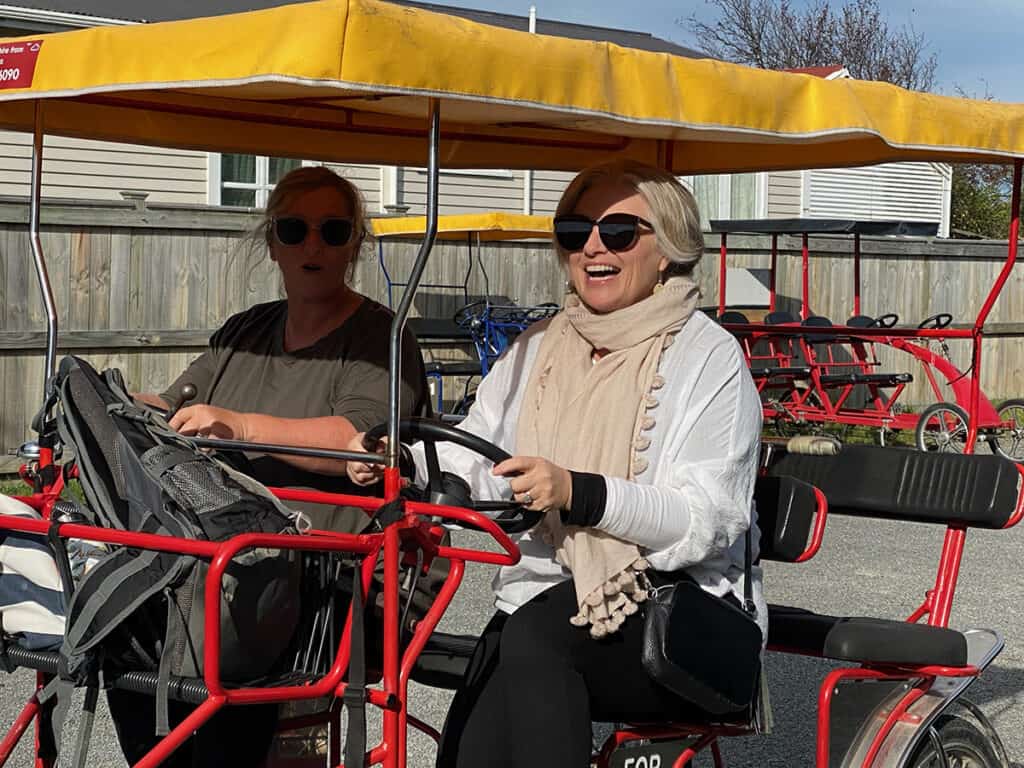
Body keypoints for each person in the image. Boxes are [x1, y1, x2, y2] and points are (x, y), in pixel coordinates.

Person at [348, 159, 764, 768]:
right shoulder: (539, 345)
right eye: (574, 232)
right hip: (538, 604)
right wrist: (407, 460)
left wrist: (578, 492)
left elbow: (706, 523)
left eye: (619, 232)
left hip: (679, 614)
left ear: (669, 248)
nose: (593, 247)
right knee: (474, 736)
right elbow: (476, 449)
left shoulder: (709, 358)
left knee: (536, 639)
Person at [117, 165, 428, 767]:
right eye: (295, 228)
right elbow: (178, 405)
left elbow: (359, 442)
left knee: (215, 663)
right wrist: (115, 405)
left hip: (319, 570)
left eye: (333, 231)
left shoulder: (380, 338)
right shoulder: (246, 330)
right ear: (273, 243)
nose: (313, 245)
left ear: (354, 245)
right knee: (122, 637)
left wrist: (241, 425)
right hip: (215, 555)